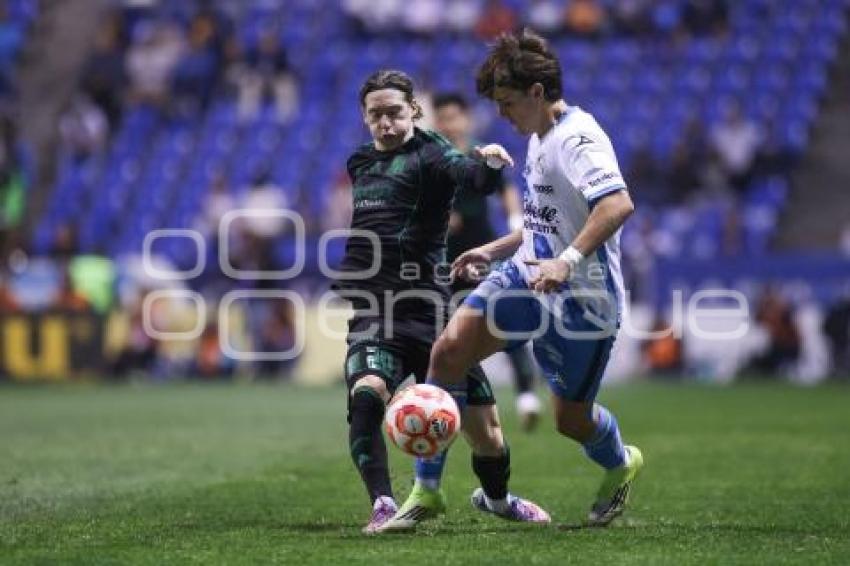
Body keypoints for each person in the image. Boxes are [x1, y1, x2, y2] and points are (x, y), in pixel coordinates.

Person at [382, 29, 643, 531]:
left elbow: (617, 205)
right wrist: (496, 248)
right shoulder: (539, 135)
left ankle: (619, 463)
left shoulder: (578, 139)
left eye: (507, 102)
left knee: (571, 420)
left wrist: (566, 260)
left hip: (582, 303)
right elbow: (544, 223)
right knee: (447, 352)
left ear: (537, 93)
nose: (501, 113)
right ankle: (427, 491)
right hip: (526, 278)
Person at [335, 69, 549, 534]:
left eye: (394, 112)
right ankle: (384, 503)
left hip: (430, 312)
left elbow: (468, 174)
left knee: (488, 435)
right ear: (365, 117)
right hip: (376, 312)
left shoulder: (432, 152)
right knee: (367, 393)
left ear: (413, 109)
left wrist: (487, 166)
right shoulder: (358, 162)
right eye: (376, 115)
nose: (386, 123)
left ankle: (497, 499)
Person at [432, 92, 542, 431]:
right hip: (444, 259)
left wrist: (513, 219)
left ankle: (526, 396)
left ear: (465, 118)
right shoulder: (432, 158)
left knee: (501, 319)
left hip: (482, 251)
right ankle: (448, 400)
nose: (448, 124)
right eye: (443, 118)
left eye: (454, 116)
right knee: (446, 330)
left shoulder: (481, 154)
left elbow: (506, 187)